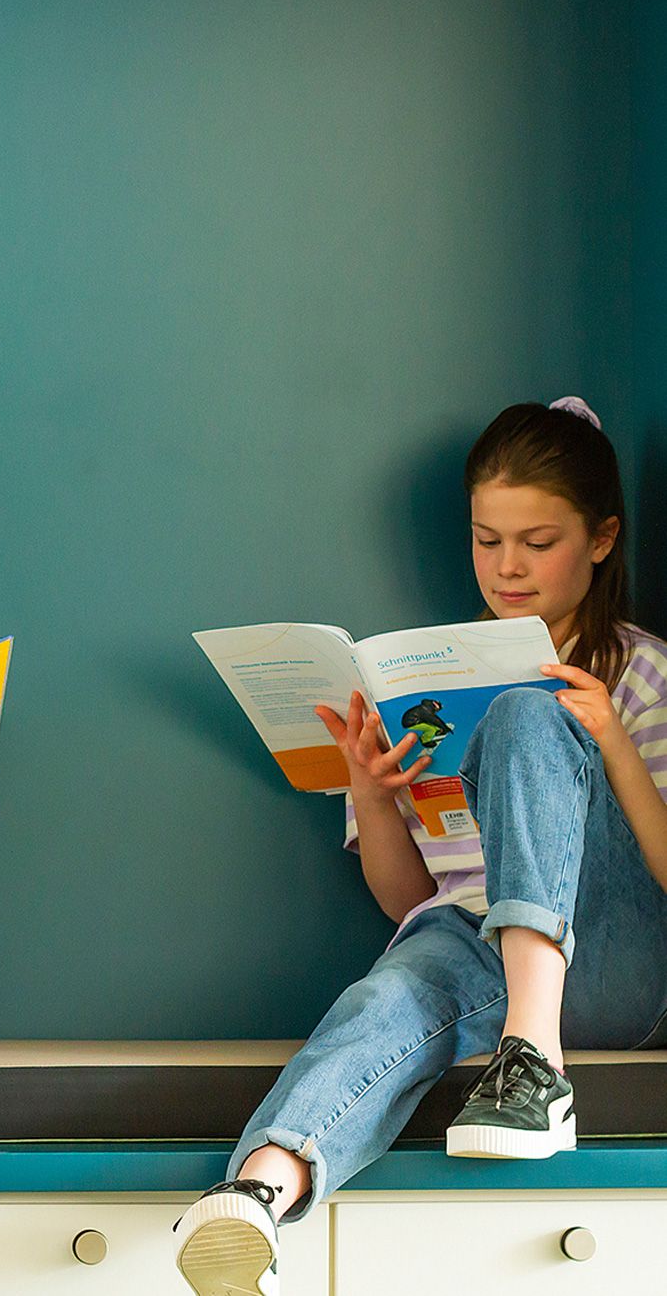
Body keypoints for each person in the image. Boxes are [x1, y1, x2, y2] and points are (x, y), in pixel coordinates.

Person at [174, 397, 667, 1296]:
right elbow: (407, 900)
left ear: (600, 540)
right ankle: (258, 1192)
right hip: (472, 946)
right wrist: (367, 785)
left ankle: (535, 1061)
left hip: (614, 965)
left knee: (527, 709)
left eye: (536, 541)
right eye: (487, 540)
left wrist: (612, 744)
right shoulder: (437, 676)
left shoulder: (644, 671)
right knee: (391, 990)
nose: (507, 566)